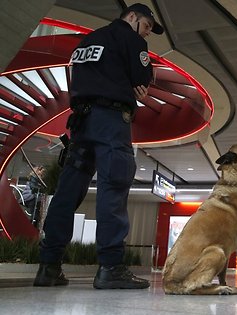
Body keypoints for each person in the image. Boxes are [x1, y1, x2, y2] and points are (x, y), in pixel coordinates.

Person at [34, 3, 164, 289]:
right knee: (113, 187)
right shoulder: (130, 39)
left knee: (67, 191)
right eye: (145, 26)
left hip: (81, 123)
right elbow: (143, 79)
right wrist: (134, 79)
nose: (146, 34)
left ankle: (49, 266)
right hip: (110, 122)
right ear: (132, 17)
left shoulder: (88, 41)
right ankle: (110, 267)